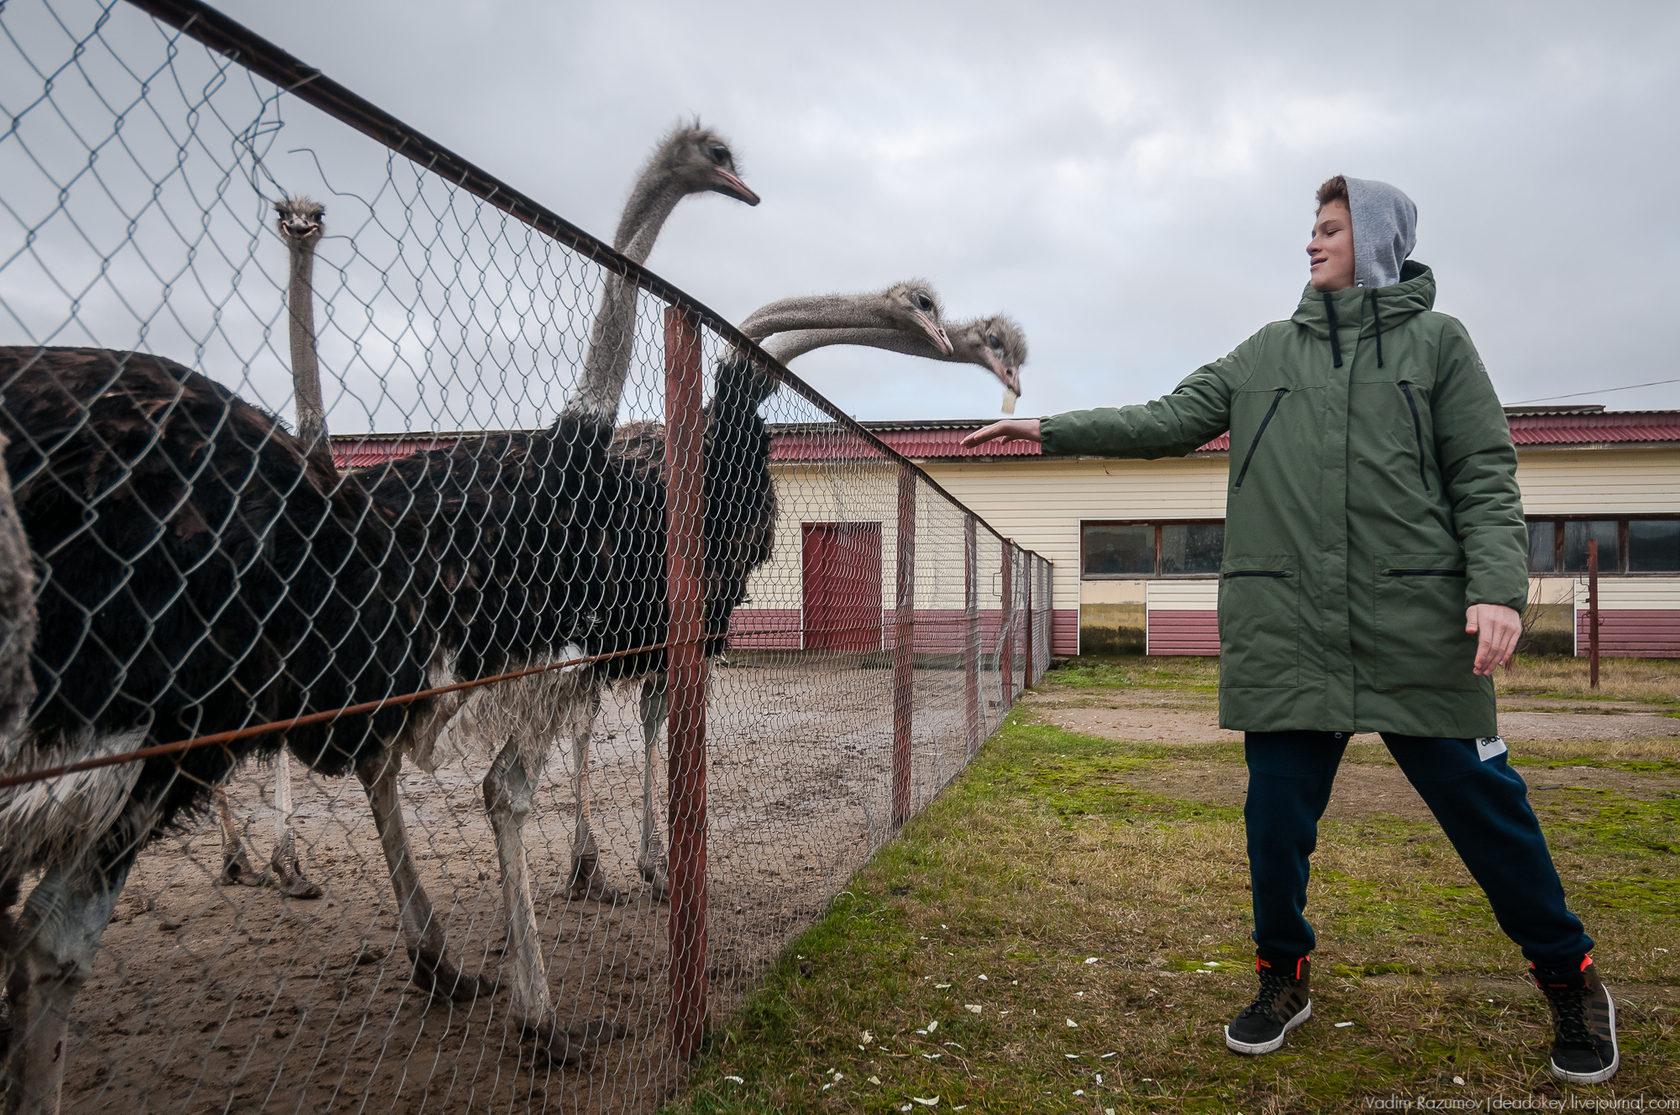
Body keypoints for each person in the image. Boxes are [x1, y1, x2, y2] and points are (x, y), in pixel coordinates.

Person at [963, 176, 1618, 1084]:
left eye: (1332, 230)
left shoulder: (1439, 344)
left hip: (1418, 627)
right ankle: (1283, 976)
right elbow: (1166, 418)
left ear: (1378, 239)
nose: (1312, 245)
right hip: (1291, 631)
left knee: (1488, 815)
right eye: (1311, 230)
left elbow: (1484, 472)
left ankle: (1568, 978)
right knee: (1273, 825)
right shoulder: (1267, 351)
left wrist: (1498, 589)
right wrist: (1049, 427)